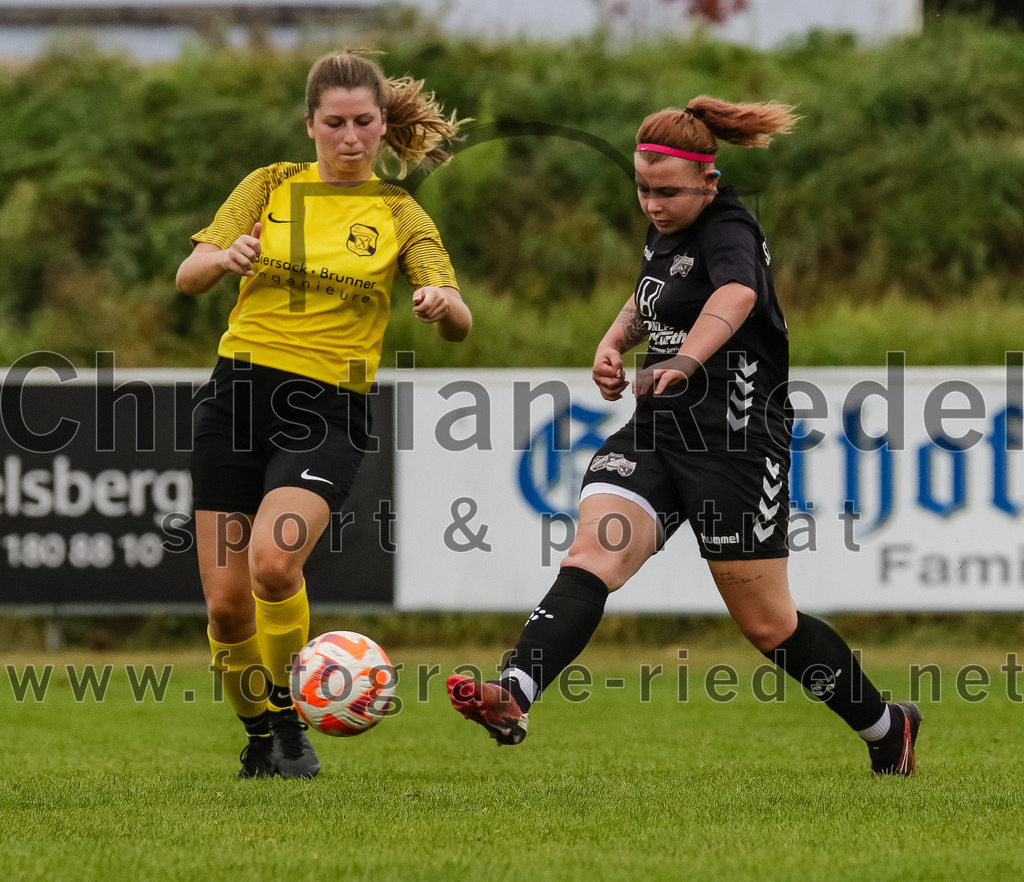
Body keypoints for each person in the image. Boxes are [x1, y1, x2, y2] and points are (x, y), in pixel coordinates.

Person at [447, 98, 922, 776]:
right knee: (592, 552)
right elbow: (649, 295)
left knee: (768, 625)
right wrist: (614, 342)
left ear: (710, 180)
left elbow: (735, 298)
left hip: (737, 440)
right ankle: (516, 690)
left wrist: (684, 361)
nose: (653, 203)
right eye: (642, 188)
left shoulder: (729, 227)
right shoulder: (667, 228)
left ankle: (886, 727)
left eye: (667, 190)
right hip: (658, 432)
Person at [177, 49, 471, 779]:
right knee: (225, 608)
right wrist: (223, 258)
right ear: (309, 124)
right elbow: (189, 276)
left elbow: (461, 317)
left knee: (274, 566)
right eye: (334, 122)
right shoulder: (270, 186)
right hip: (237, 394)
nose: (350, 136)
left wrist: (440, 306)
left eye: (363, 122)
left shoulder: (400, 213)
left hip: (327, 408)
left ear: (381, 127)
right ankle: (258, 735)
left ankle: (288, 721)